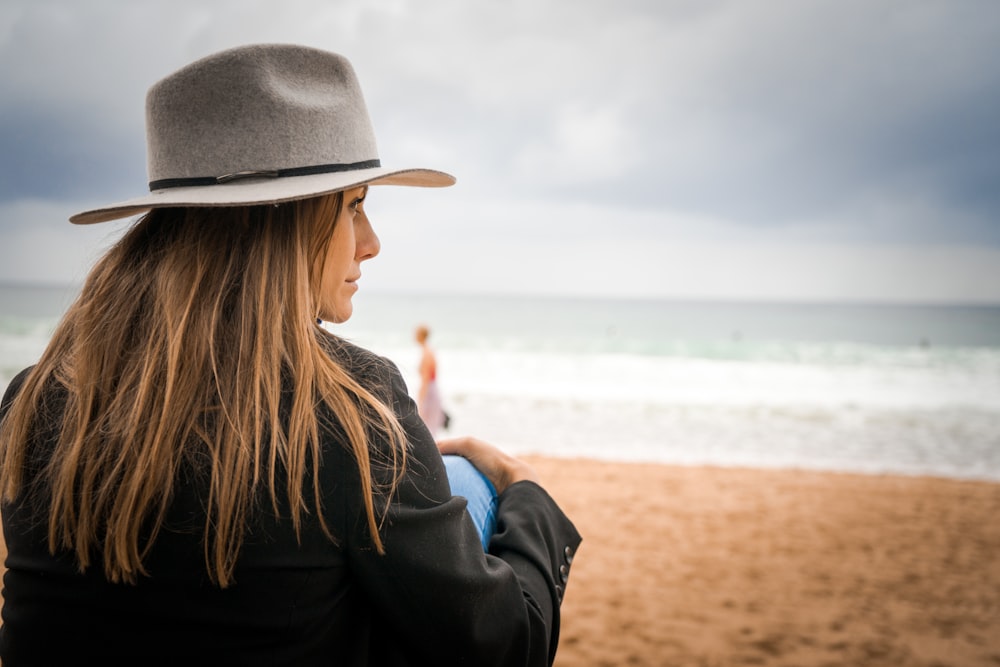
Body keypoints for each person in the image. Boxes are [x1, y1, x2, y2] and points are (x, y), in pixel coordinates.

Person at [0, 44, 580, 666]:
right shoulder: (350, 412)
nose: (372, 243)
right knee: (468, 482)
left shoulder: (35, 399)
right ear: (282, 227)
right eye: (354, 206)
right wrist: (528, 495)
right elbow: (505, 646)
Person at [414, 324, 447, 434]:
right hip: (432, 388)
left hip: (430, 390)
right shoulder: (428, 351)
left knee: (427, 425)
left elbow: (426, 379)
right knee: (430, 424)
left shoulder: (427, 353)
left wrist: (420, 398)